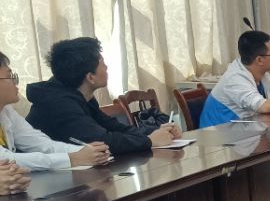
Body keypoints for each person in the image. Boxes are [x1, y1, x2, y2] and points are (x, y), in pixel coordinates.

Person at [26, 38, 177, 154]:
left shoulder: (79, 93)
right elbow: (103, 141)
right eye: (102, 63)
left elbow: (113, 127)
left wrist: (156, 132)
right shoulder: (59, 104)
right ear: (90, 77)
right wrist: (149, 141)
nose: (106, 67)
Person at [0, 50, 109, 170]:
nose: (15, 81)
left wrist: (88, 152)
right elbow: (5, 159)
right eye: (9, 76)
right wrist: (72, 159)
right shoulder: (58, 101)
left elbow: (42, 144)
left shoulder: (6, 111)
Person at [199, 30, 270, 128]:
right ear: (260, 60)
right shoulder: (235, 78)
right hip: (221, 140)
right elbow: (263, 106)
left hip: (243, 134)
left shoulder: (261, 74)